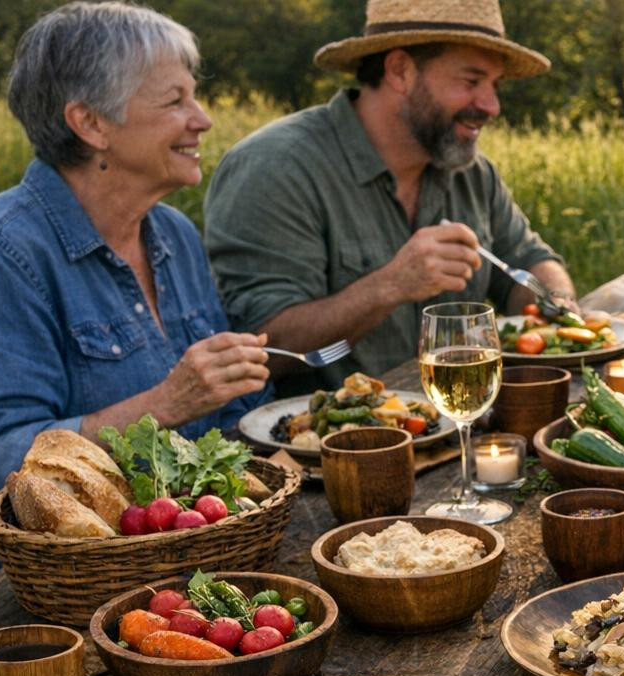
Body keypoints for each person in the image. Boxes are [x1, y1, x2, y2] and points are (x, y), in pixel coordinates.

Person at [0, 1, 269, 592]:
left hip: (186, 573)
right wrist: (167, 402)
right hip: (43, 601)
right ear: (91, 123)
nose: (201, 119)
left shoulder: (173, 232)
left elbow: (227, 424)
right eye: (175, 101)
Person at [204, 0, 573, 393]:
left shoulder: (472, 173)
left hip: (460, 426)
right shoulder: (276, 167)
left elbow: (530, 260)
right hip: (327, 446)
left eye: (494, 86)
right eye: (471, 81)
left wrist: (560, 306)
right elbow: (265, 349)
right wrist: (391, 285)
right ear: (400, 70)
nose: (491, 106)